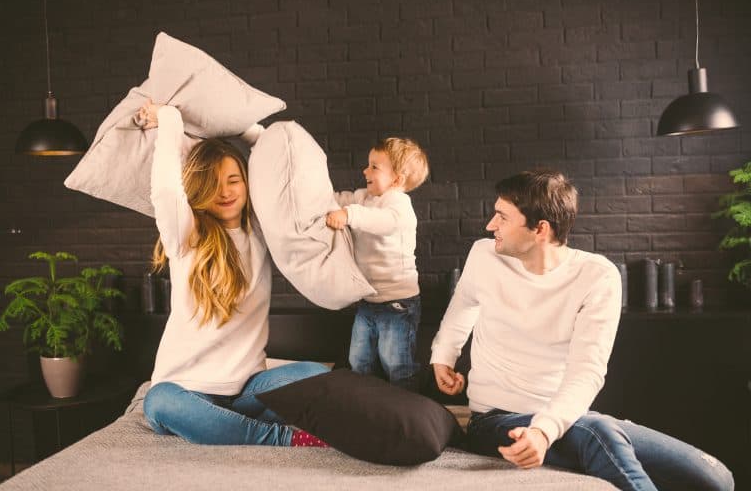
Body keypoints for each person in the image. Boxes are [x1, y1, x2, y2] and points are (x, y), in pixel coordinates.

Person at [430, 169, 734, 491]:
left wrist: (544, 430)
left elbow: (587, 372)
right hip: (494, 419)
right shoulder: (484, 255)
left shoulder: (597, 277)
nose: (491, 225)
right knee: (598, 432)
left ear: (540, 229)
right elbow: (463, 304)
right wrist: (443, 356)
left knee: (716, 478)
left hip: (569, 418)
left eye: (502, 217)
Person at [139, 100, 329, 447]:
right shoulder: (187, 235)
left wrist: (245, 127)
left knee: (317, 374)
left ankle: (225, 427)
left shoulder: (261, 230)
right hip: (187, 390)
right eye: (213, 183)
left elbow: (279, 168)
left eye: (234, 180)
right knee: (157, 401)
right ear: (200, 188)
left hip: (247, 391)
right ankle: (277, 438)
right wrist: (169, 120)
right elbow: (166, 189)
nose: (225, 192)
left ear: (246, 183)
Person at [326, 137, 429, 387]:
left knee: (397, 364)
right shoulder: (364, 197)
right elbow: (341, 199)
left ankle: (406, 412)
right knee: (359, 361)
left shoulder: (398, 204)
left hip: (397, 304)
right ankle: (368, 409)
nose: (365, 171)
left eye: (374, 167)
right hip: (368, 301)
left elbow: (384, 222)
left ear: (397, 179)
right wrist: (326, 200)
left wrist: (348, 215)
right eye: (368, 165)